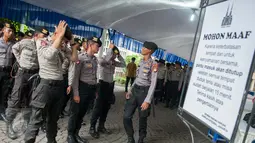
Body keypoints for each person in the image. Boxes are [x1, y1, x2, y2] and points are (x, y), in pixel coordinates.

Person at [24, 20, 77, 143]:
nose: (64, 41)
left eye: (65, 39)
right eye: (63, 38)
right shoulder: (42, 42)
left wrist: (73, 43)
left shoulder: (62, 45)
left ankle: (51, 141)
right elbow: (49, 55)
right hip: (45, 86)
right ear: (56, 32)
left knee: (53, 119)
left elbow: (74, 58)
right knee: (36, 119)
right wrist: (59, 36)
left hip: (59, 88)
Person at [67, 36, 102, 143]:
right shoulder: (80, 58)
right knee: (75, 113)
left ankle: (76, 133)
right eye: (97, 46)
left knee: (82, 113)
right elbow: (75, 77)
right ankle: (70, 135)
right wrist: (76, 94)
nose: (98, 48)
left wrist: (95, 91)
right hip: (81, 89)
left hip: (90, 90)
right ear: (90, 45)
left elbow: (94, 76)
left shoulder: (95, 60)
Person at [123, 41, 158, 143]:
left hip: (144, 93)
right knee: (126, 116)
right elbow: (137, 78)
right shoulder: (141, 62)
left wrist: (147, 100)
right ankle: (130, 137)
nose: (142, 48)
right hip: (135, 91)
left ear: (149, 50)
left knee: (143, 118)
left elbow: (153, 83)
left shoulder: (154, 64)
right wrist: (130, 90)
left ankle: (141, 137)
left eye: (144, 47)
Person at [90, 43, 126, 138]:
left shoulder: (113, 62)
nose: (114, 56)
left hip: (110, 86)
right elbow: (103, 62)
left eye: (115, 54)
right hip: (101, 85)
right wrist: (110, 50)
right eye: (113, 54)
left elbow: (123, 64)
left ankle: (101, 126)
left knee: (106, 107)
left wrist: (119, 55)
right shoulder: (101, 58)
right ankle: (92, 127)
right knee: (97, 108)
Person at [60, 38, 82, 118]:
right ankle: (59, 111)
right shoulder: (67, 51)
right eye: (76, 45)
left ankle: (61, 110)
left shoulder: (76, 53)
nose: (77, 47)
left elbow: (73, 68)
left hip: (69, 77)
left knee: (66, 96)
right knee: (62, 96)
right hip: (62, 75)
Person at [0, 22, 15, 121]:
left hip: (7, 72)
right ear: (3, 31)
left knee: (4, 93)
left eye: (12, 31)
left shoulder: (14, 44)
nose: (10, 33)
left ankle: (2, 112)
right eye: (9, 30)